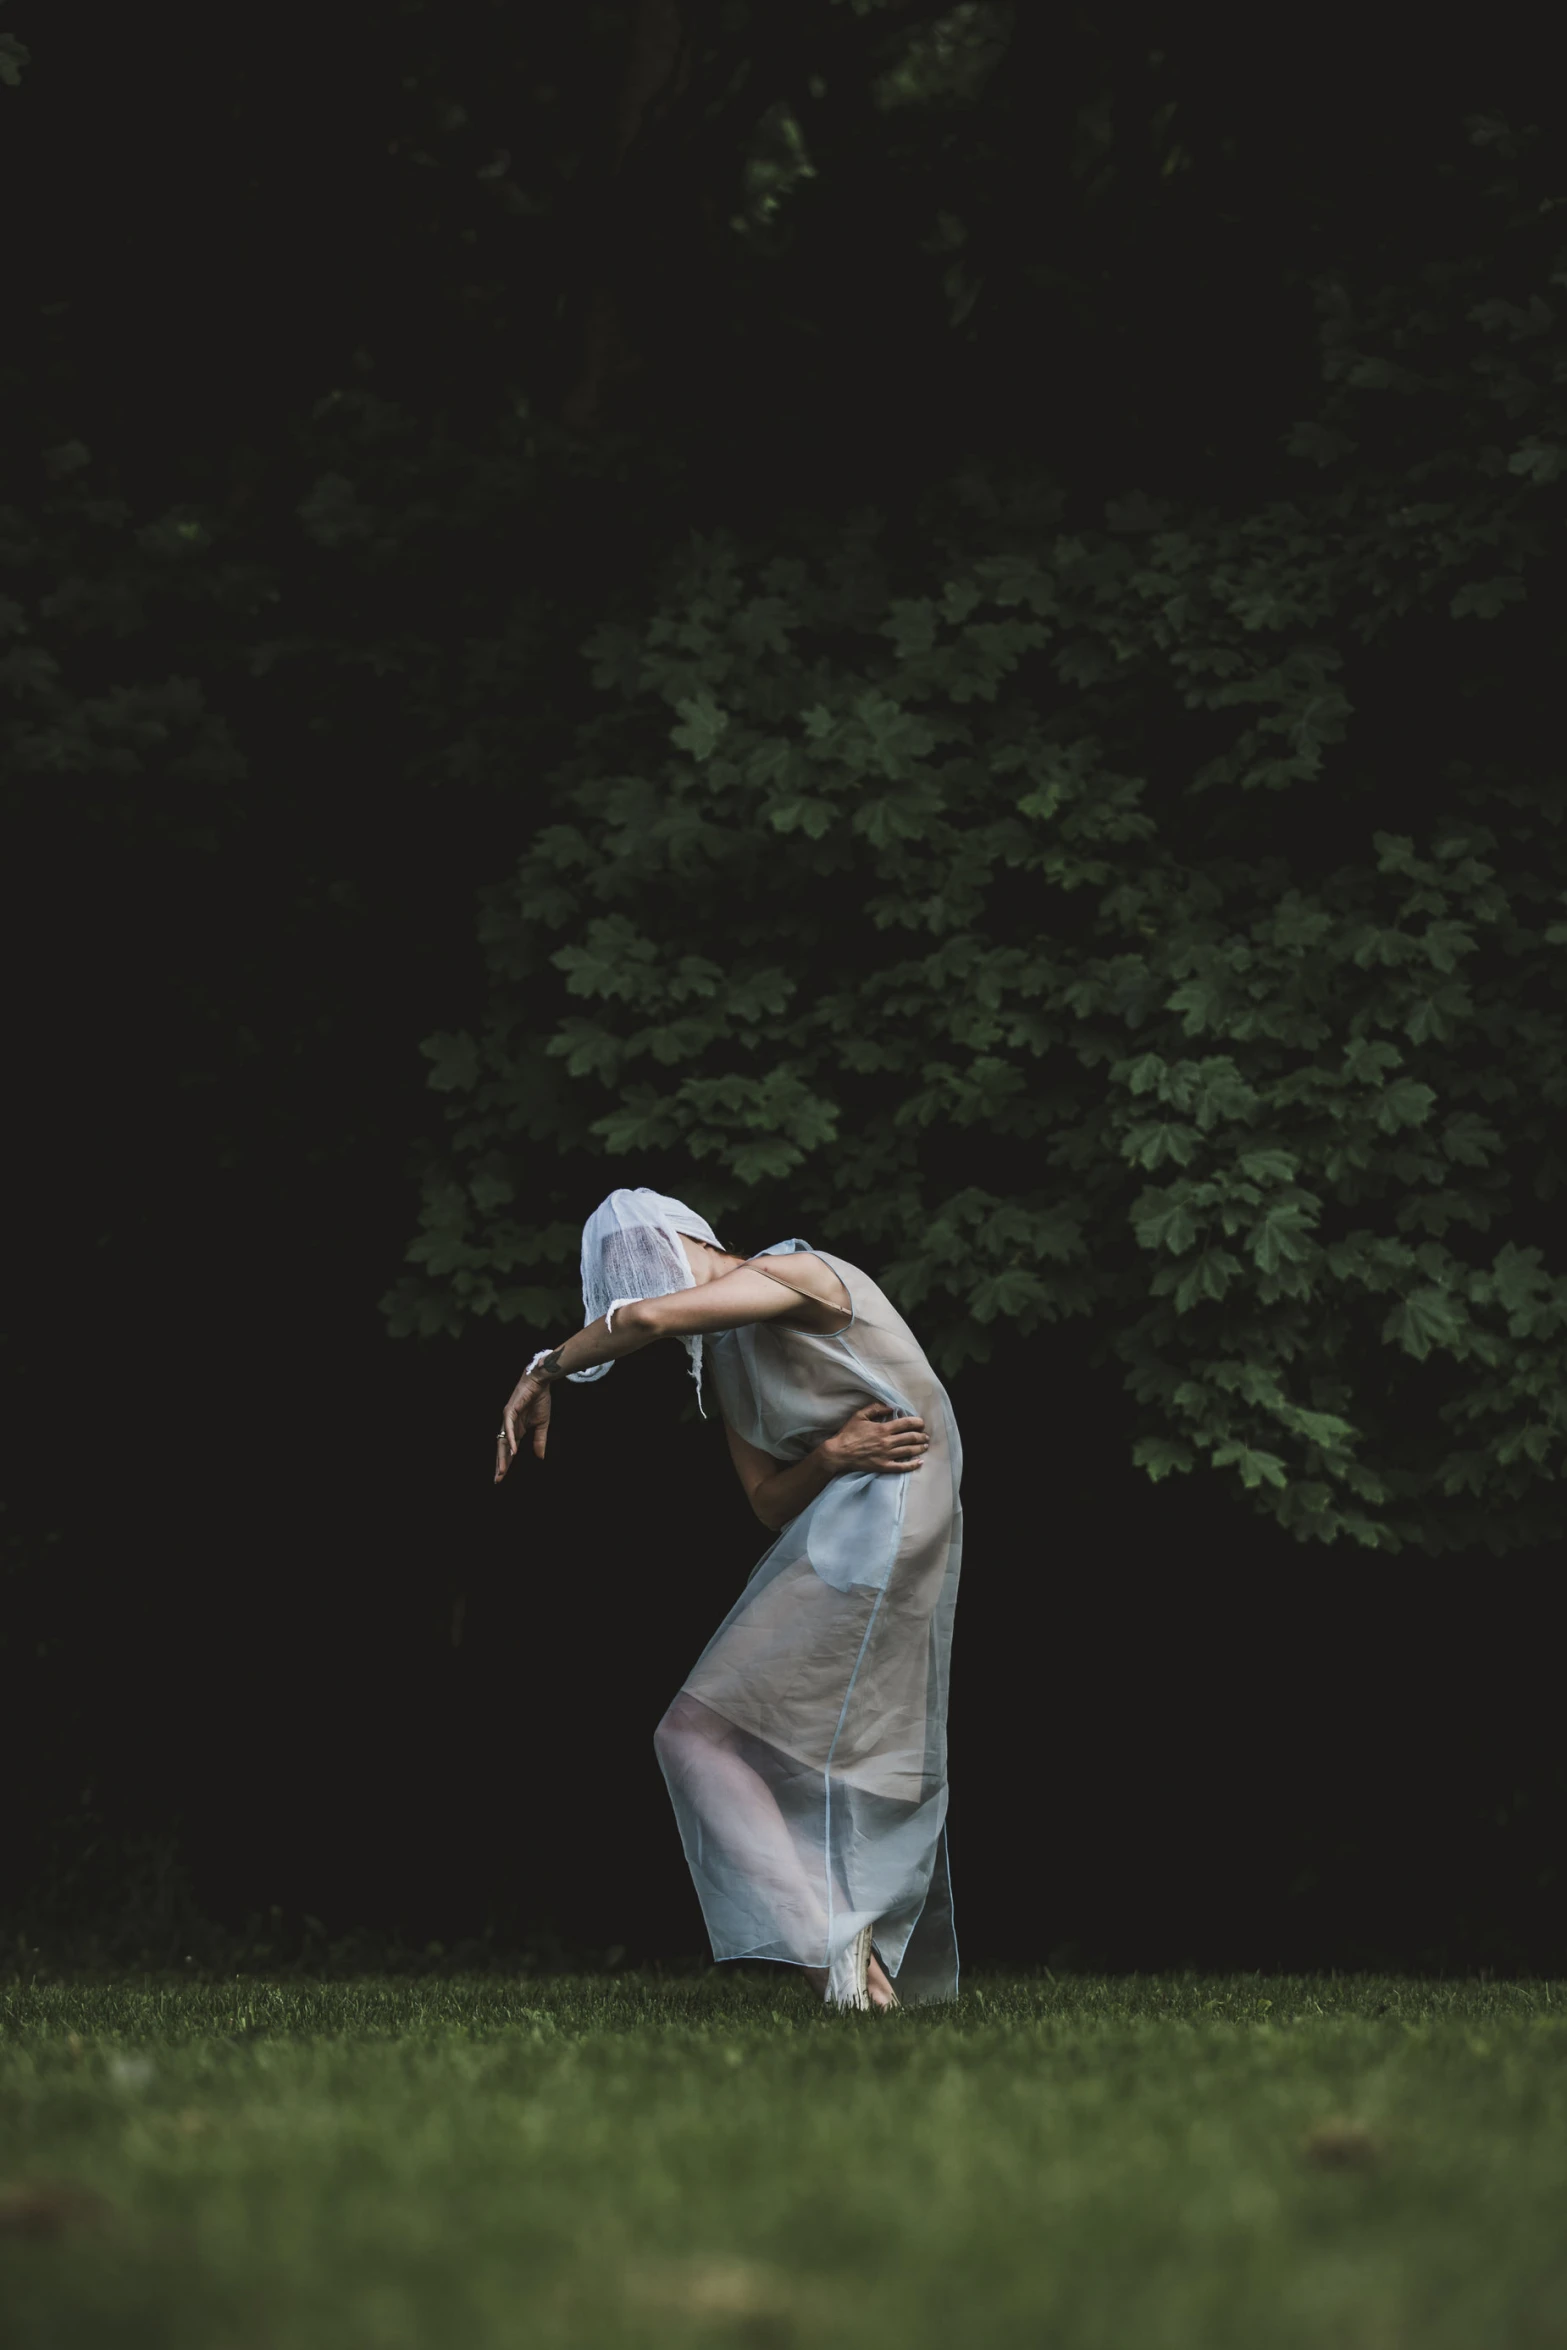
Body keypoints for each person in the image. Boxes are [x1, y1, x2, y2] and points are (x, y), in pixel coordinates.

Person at [494, 1187, 962, 2010]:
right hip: (845, 1519)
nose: (637, 1290)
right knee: (731, 1742)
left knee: (698, 1736)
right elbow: (769, 1503)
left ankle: (845, 1973)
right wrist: (830, 1452)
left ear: (684, 1243)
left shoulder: (804, 1274)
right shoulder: (729, 1364)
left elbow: (643, 1322)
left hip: (886, 1519)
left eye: (643, 1266)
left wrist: (544, 1368)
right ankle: (850, 1968)